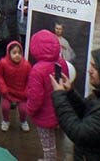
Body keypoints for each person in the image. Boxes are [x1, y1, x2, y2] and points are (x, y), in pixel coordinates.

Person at [25, 30, 67, 158]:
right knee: (54, 141)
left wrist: (29, 110)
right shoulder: (62, 62)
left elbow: (36, 97)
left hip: (43, 114)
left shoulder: (37, 70)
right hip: (59, 110)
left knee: (48, 145)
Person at [0, 40, 31, 132]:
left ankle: (23, 121)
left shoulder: (26, 65)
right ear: (8, 53)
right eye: (14, 53)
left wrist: (27, 91)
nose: (17, 55)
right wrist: (3, 88)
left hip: (21, 93)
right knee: (5, 107)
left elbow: (30, 78)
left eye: (19, 52)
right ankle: (5, 120)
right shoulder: (3, 63)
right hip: (8, 91)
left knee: (23, 109)